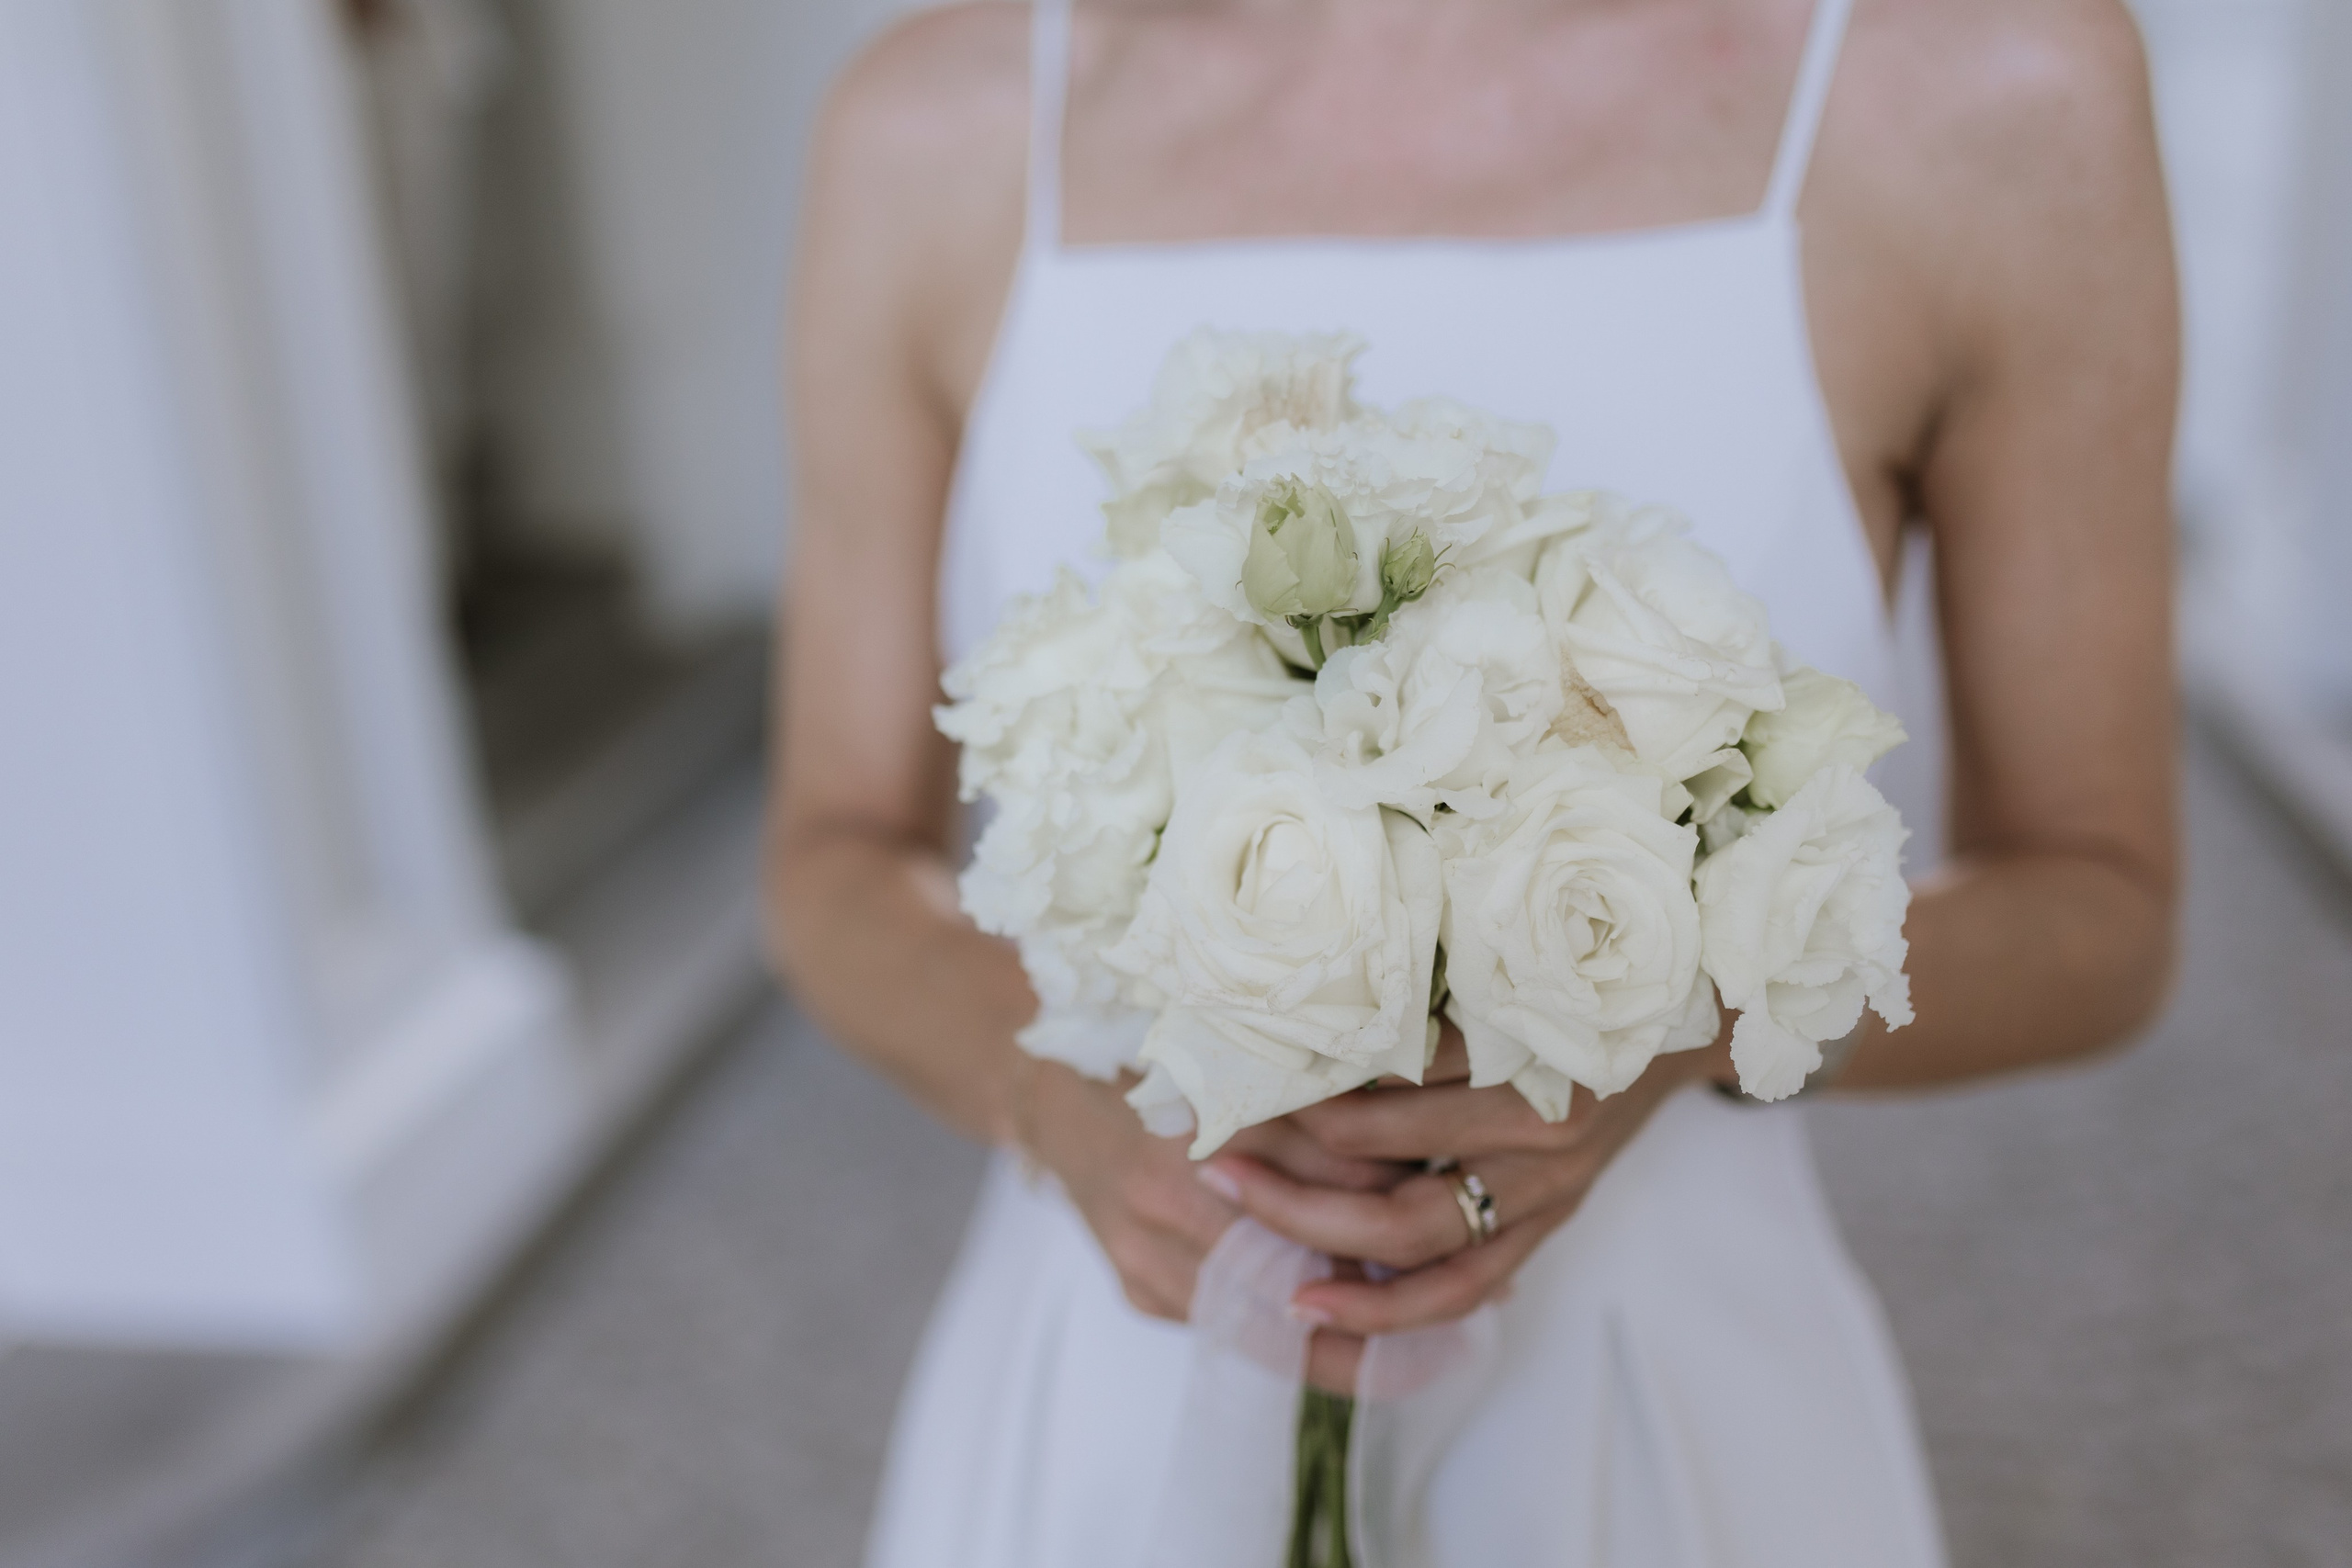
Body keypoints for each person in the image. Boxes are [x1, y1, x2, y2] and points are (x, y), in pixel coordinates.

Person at [766, 0, 2178, 1561]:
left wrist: (1681, 1015)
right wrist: (1042, 1089)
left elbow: (2099, 908)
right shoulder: (938, 125)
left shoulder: (1986, 88)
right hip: (1123, 1362)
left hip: (1661, 1393)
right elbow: (831, 853)